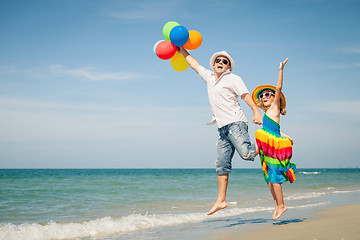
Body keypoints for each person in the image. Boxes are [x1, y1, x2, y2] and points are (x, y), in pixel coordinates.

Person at [177, 47, 262, 215]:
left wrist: (256, 111)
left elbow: (245, 95)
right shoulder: (209, 77)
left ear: (229, 66)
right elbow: (195, 65)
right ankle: (221, 200)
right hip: (222, 128)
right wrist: (182, 51)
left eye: (225, 61)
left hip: (236, 124)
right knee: (221, 165)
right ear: (213, 64)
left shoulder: (233, 78)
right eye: (218, 60)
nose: (221, 63)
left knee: (247, 154)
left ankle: (269, 140)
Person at [252, 58, 296, 220]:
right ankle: (277, 205)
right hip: (267, 146)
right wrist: (285, 135)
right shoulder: (266, 114)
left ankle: (282, 205)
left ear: (274, 98)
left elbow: (278, 87)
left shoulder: (275, 107)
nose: (264, 96)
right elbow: (275, 129)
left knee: (274, 176)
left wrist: (281, 70)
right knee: (269, 178)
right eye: (262, 95)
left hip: (274, 147)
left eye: (267, 94)